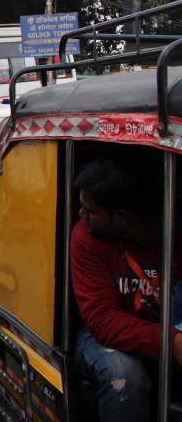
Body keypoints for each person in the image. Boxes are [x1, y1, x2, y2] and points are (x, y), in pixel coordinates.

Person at [70, 158, 181, 422]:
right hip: (105, 335)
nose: (80, 215)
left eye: (89, 210)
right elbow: (103, 320)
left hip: (170, 327)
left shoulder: (173, 237)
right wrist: (172, 341)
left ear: (121, 218)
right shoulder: (86, 237)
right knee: (124, 375)